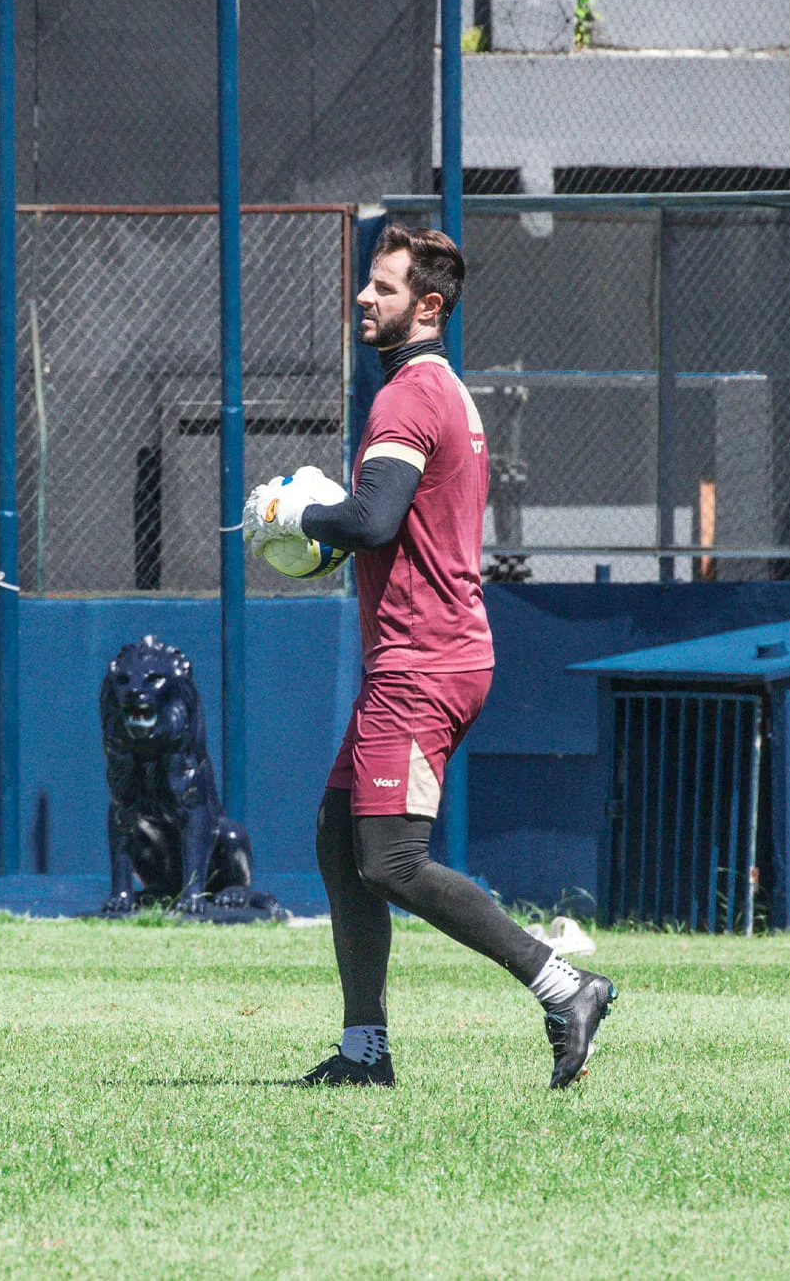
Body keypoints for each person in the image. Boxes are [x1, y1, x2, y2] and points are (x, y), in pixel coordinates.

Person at [244, 225, 616, 1090]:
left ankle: (564, 986)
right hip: (421, 656)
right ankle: (364, 1054)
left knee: (391, 861)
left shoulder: (409, 395)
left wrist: (292, 519)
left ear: (429, 305)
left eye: (382, 287)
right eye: (367, 285)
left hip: (423, 661)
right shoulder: (439, 388)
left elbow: (371, 520)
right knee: (341, 844)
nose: (364, 299)